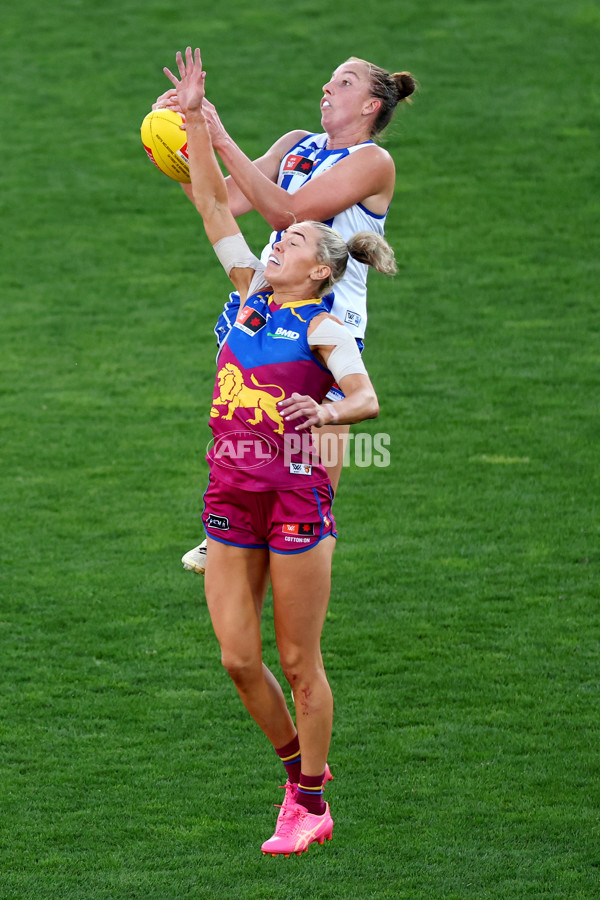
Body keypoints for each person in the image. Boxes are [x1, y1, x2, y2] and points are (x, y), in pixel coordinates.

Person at [162, 46, 397, 856]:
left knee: (299, 657)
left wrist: (329, 411)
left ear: (317, 267)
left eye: (291, 241)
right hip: (232, 485)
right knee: (238, 658)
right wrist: (194, 124)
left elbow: (366, 398)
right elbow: (214, 205)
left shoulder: (326, 322)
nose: (275, 244)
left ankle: (309, 799)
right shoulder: (247, 298)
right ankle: (301, 775)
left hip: (298, 481)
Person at [153, 54, 416, 574]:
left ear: (371, 105)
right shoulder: (298, 143)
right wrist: (182, 138)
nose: (327, 86)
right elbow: (220, 200)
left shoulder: (373, 162)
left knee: (309, 466)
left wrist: (219, 135)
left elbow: (284, 213)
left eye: (344, 82)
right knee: (246, 417)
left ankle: (300, 552)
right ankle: (232, 524)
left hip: (327, 322)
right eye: (331, 78)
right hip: (269, 306)